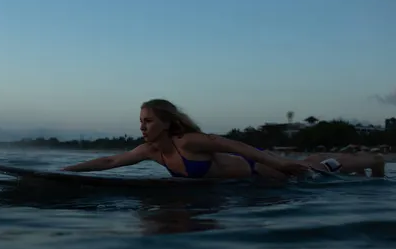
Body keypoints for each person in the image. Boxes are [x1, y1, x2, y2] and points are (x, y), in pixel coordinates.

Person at [61, 99, 385, 180]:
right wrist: (66, 172)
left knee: (321, 165)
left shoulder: (188, 141)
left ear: (166, 123)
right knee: (319, 164)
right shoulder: (149, 151)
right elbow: (109, 161)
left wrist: (280, 162)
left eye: (148, 121)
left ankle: (376, 161)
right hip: (249, 184)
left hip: (261, 173)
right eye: (140, 121)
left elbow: (232, 145)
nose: (142, 127)